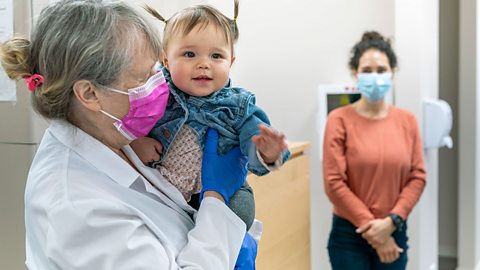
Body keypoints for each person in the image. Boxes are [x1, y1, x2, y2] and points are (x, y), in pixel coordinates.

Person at [0, 0, 258, 269]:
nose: (160, 85)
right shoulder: (78, 209)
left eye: (156, 71)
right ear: (89, 94)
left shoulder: (110, 134)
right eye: (145, 77)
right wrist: (216, 201)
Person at [130, 0, 290, 230]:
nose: (204, 64)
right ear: (166, 60)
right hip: (164, 186)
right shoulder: (155, 92)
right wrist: (136, 141)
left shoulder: (237, 106)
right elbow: (123, 121)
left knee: (240, 211)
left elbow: (253, 139)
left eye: (216, 56)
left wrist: (267, 152)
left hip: (221, 192)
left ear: (231, 62)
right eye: (190, 54)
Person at [322, 31, 427, 270]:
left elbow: (417, 177)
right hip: (349, 235)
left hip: (394, 229)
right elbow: (334, 182)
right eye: (367, 71)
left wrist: (391, 222)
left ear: (393, 73)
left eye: (381, 70)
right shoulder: (339, 119)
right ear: (355, 73)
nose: (375, 77)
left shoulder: (407, 121)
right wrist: (376, 232)